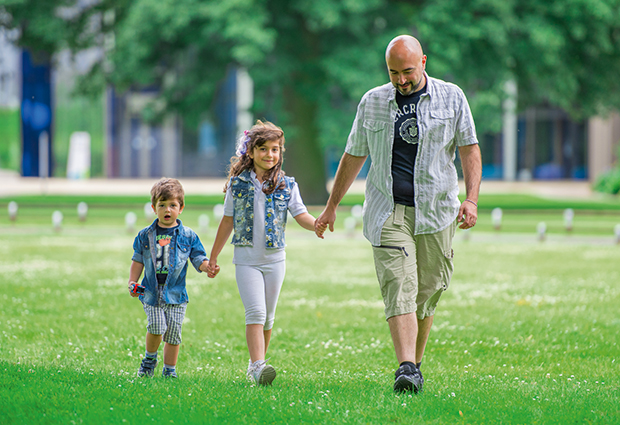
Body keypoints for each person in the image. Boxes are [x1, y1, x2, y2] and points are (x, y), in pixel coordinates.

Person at [315, 35, 482, 394]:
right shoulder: (373, 102)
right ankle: (405, 367)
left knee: (427, 291)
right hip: (388, 210)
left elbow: (469, 148)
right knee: (399, 286)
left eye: (407, 71)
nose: (401, 80)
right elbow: (353, 155)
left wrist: (471, 199)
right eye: (393, 73)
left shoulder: (452, 97)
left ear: (424, 61)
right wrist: (331, 206)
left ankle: (415, 365)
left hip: (437, 211)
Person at [208, 120, 323, 386]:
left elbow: (301, 214)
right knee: (256, 313)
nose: (269, 155)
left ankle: (255, 366)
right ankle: (260, 366)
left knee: (269, 317)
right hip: (247, 260)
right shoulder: (237, 185)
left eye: (275, 149)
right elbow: (227, 221)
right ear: (250, 152)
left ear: (281, 152)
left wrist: (315, 224)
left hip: (275, 260)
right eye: (263, 149)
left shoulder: (287, 185)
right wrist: (213, 257)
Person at [128, 177, 219, 378]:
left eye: (172, 205)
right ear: (153, 208)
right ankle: (149, 359)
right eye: (162, 205)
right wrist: (132, 281)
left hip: (176, 294)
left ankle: (169, 370)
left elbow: (197, 257)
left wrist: (207, 268)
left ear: (181, 208)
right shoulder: (145, 235)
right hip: (151, 292)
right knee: (157, 326)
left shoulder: (188, 236)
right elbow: (138, 260)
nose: (167, 210)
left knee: (173, 334)